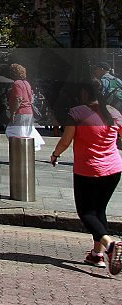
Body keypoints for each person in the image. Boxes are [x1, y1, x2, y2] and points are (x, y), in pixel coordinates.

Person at [49, 79, 122, 274]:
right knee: (99, 211)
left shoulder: (77, 113)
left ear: (82, 93)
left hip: (88, 170)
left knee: (86, 213)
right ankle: (97, 255)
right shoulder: (114, 113)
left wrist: (55, 155)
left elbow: (65, 141)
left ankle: (110, 245)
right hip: (113, 169)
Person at [5, 63, 44, 151]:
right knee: (26, 132)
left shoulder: (17, 83)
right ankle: (28, 151)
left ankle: (21, 153)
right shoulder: (27, 83)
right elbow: (30, 98)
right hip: (29, 112)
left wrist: (13, 113)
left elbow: (19, 99)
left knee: (12, 132)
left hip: (21, 112)